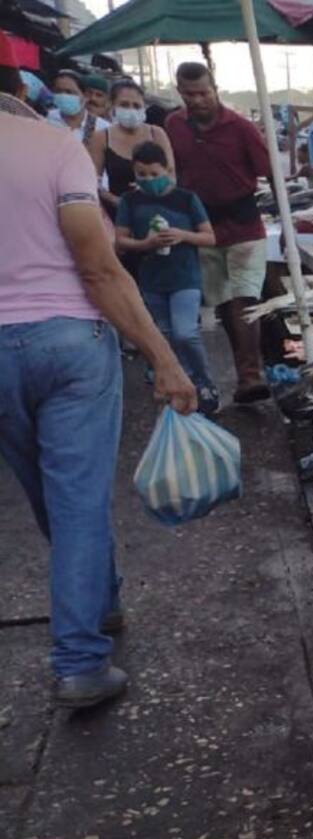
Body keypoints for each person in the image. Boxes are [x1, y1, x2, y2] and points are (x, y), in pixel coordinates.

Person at [0, 44, 197, 708]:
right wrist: (163, 359)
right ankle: (81, 661)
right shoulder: (53, 147)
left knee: (51, 496)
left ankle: (101, 599)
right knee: (78, 500)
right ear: (22, 95)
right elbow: (99, 266)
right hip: (70, 344)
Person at [165, 61, 271, 404]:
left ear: (215, 90)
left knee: (245, 298)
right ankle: (244, 372)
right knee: (223, 301)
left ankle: (251, 375)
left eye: (203, 93)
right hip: (202, 224)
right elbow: (172, 171)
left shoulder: (240, 127)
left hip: (243, 221)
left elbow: (269, 170)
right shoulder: (173, 126)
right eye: (189, 94)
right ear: (180, 92)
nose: (197, 100)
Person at [115, 141, 220, 415]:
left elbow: (209, 236)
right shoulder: (130, 201)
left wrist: (183, 235)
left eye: (153, 174)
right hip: (152, 281)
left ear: (167, 169)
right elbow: (121, 241)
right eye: (141, 175)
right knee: (165, 335)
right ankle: (179, 385)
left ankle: (203, 380)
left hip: (185, 277)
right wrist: (146, 244)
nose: (148, 180)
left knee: (186, 333)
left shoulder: (186, 199)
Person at [87, 79, 174, 218]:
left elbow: (171, 175)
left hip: (158, 211)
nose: (131, 110)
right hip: (118, 213)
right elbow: (92, 181)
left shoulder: (157, 134)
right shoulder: (101, 137)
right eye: (124, 105)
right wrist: (116, 201)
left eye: (136, 106)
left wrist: (156, 194)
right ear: (112, 105)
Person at [46, 69, 108, 143]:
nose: (63, 95)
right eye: (58, 91)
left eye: (69, 92)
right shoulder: (46, 118)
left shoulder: (102, 128)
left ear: (85, 96)